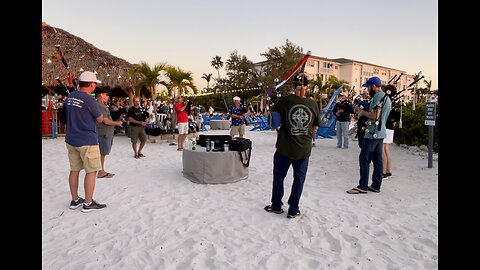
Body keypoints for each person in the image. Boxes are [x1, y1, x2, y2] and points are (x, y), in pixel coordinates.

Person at [264, 75, 320, 218]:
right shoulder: (313, 104)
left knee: (279, 177)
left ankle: (276, 206)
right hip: (304, 148)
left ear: (293, 86)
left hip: (285, 147)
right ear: (307, 87)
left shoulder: (285, 100)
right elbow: (315, 127)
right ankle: (293, 209)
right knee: (299, 179)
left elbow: (271, 118)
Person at [62, 71, 106, 212]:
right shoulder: (89, 99)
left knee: (74, 170)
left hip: (71, 139)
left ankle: (75, 200)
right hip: (87, 140)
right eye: (95, 84)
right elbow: (99, 118)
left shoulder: (70, 97)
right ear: (91, 84)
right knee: (91, 171)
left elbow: (64, 114)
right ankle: (88, 203)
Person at [347, 76, 392, 194]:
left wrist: (362, 112)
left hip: (372, 132)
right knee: (377, 159)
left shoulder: (378, 96)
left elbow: (375, 115)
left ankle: (362, 186)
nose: (368, 90)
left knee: (364, 158)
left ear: (373, 86)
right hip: (381, 132)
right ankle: (376, 185)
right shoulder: (386, 97)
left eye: (368, 87)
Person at [95, 87, 123, 178]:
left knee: (103, 153)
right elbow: (105, 121)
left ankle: (101, 170)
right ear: (101, 95)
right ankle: (101, 171)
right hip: (103, 133)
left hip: (106, 132)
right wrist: (117, 123)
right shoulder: (99, 105)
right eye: (106, 95)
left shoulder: (102, 105)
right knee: (102, 153)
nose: (107, 97)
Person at [382, 84, 397, 179]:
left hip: (385, 127)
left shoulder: (386, 101)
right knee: (386, 149)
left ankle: (383, 172)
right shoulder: (393, 102)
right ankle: (388, 171)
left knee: (382, 149)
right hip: (391, 127)